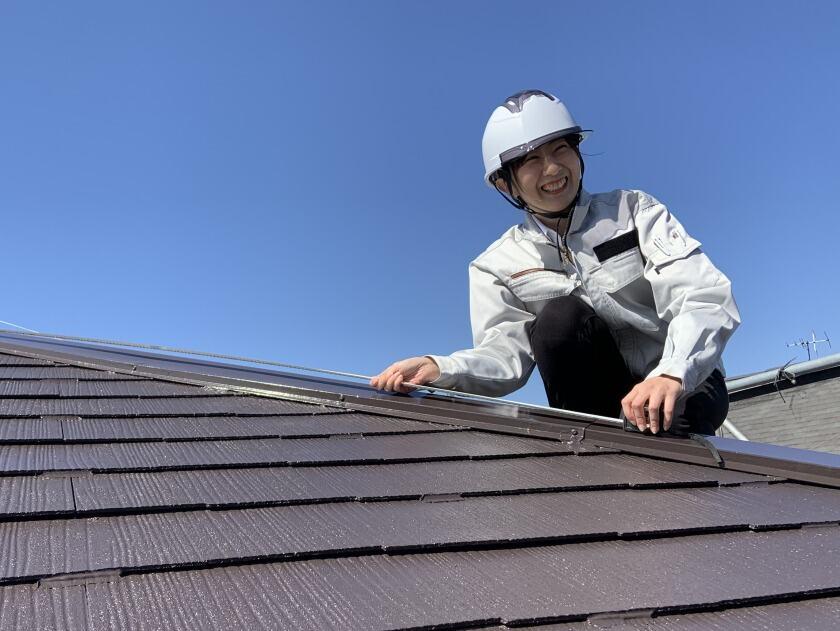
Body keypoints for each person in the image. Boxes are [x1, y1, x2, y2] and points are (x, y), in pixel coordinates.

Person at [370, 89, 740, 436]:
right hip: (601, 406)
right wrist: (440, 368)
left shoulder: (634, 211)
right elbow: (504, 355)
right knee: (559, 317)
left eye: (560, 148)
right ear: (504, 184)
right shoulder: (495, 265)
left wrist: (672, 374)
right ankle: (598, 467)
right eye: (530, 159)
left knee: (671, 410)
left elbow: (703, 295)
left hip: (682, 390)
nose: (551, 168)